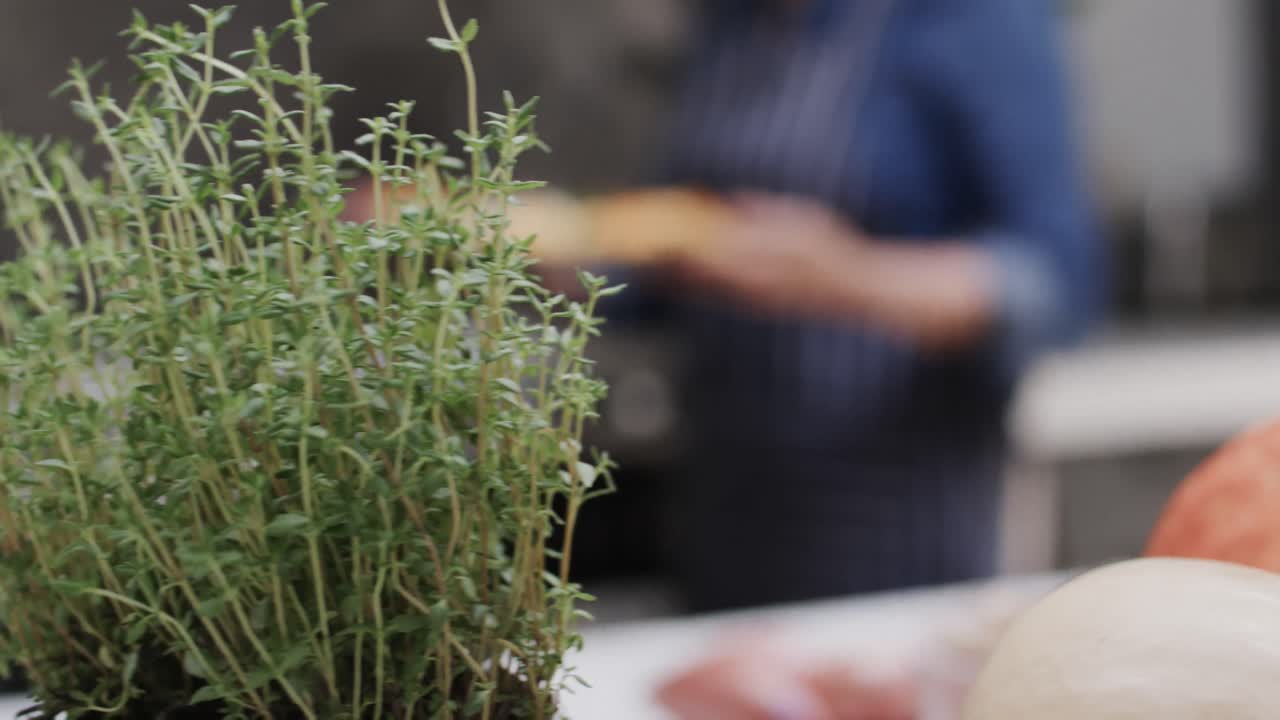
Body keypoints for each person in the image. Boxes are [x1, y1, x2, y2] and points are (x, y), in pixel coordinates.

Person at [593, 0, 1105, 612]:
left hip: (901, 525)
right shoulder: (733, 24)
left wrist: (848, 276)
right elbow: (670, 254)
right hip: (722, 509)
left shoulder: (975, 19)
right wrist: (590, 264)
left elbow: (1053, 285)